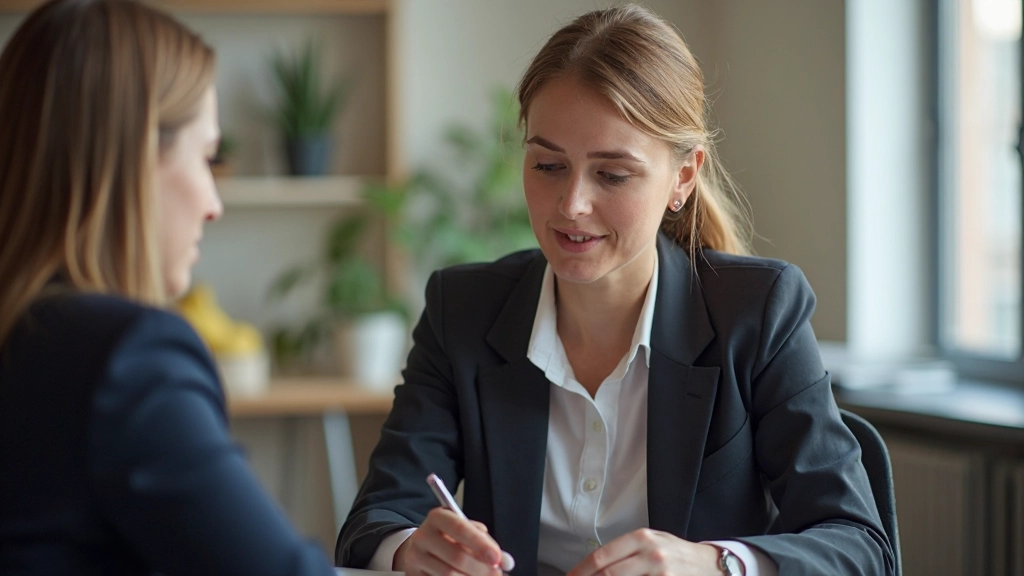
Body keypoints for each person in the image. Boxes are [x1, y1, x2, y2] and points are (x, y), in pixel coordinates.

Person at [337, 4, 894, 576]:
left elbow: (859, 545)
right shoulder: (463, 310)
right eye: (548, 165)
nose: (572, 204)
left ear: (683, 177)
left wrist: (712, 564)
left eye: (612, 174)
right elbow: (376, 518)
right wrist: (409, 547)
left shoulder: (757, 313)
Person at [0, 1, 337, 574]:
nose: (214, 204)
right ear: (132, 159)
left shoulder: (25, 335)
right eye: (206, 158)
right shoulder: (125, 358)